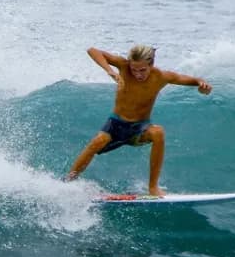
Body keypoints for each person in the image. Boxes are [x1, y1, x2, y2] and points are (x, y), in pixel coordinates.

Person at [66, 44, 212, 196]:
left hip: (139, 129)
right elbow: (92, 50)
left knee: (158, 132)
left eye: (142, 70)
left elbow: (191, 80)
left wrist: (202, 85)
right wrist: (110, 71)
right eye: (134, 69)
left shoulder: (161, 77)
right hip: (116, 124)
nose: (138, 74)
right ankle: (69, 182)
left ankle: (153, 187)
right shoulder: (123, 66)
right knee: (98, 141)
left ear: (151, 64)